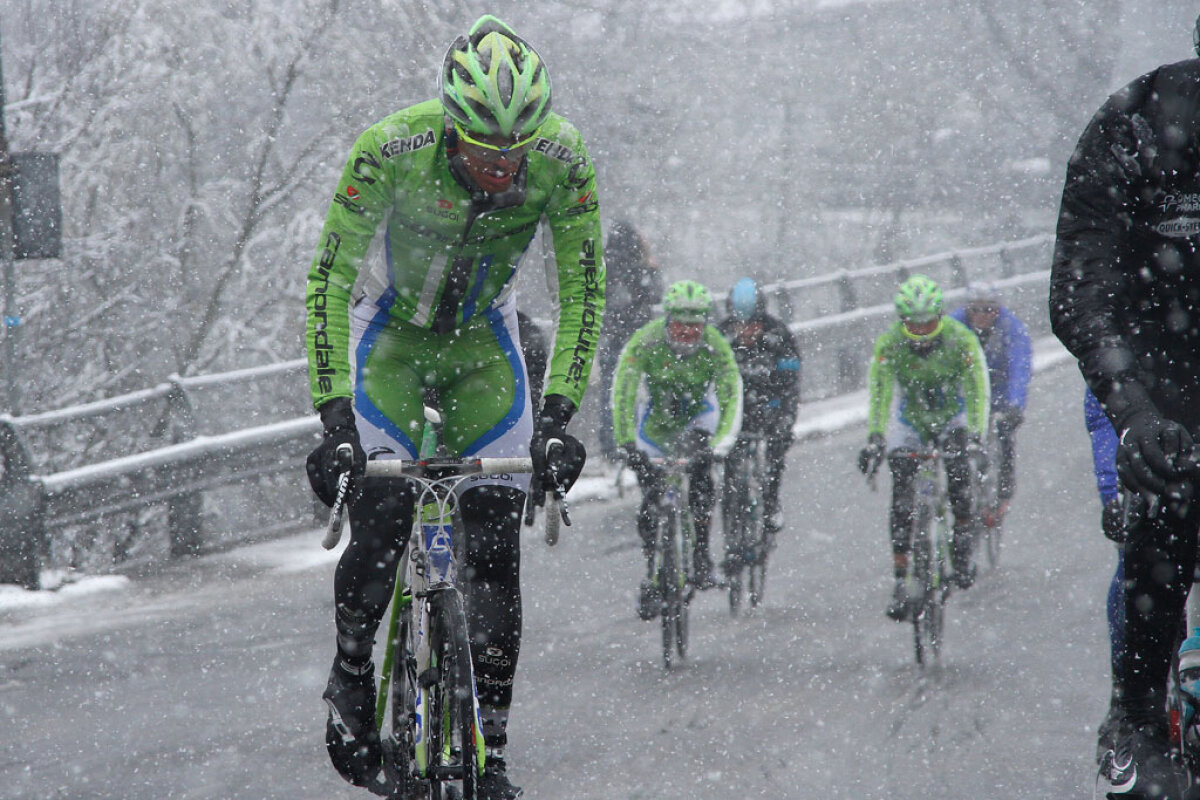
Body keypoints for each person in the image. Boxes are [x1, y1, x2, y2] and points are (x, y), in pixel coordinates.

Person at [303, 16, 604, 798]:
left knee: (497, 540)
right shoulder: (390, 149)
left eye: (518, 148)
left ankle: (492, 750)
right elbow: (328, 281)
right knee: (379, 513)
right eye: (485, 149)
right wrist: (336, 421)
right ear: (450, 125)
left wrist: (559, 419)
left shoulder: (562, 162)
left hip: (481, 347)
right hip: (390, 341)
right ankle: (350, 678)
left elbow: (585, 290)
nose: (505, 165)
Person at [1048, 40, 1200, 799]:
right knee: (1158, 522)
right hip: (1153, 382)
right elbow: (1083, 282)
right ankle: (1136, 717)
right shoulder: (1134, 124)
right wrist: (1133, 410)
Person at [857, 274, 990, 621]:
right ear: (901, 321)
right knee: (901, 496)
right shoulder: (889, 344)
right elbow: (880, 393)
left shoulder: (960, 339)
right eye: (912, 325)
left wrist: (976, 434)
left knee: (960, 478)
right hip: (911, 422)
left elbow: (977, 387)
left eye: (927, 323)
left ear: (940, 317)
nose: (919, 331)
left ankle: (961, 545)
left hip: (952, 418)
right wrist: (875, 436)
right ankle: (901, 578)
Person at [611, 280, 742, 616]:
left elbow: (731, 396)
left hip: (697, 422)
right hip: (655, 427)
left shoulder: (715, 346)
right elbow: (623, 391)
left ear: (705, 323)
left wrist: (719, 445)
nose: (687, 331)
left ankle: (700, 559)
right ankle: (654, 574)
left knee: (701, 479)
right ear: (667, 320)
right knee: (651, 501)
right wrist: (626, 442)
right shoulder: (647, 341)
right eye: (680, 324)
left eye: (695, 324)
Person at [716, 277, 801, 547]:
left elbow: (791, 387)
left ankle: (771, 503)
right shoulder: (720, 336)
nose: (747, 331)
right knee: (730, 466)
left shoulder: (780, 336)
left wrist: (785, 423)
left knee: (775, 452)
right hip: (734, 413)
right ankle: (732, 531)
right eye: (741, 324)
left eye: (753, 324)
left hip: (769, 410)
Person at [949, 282, 1031, 526]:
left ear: (998, 311)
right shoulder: (955, 326)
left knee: (1005, 436)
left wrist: (1015, 405)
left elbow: (1020, 366)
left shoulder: (1011, 328)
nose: (981, 316)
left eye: (988, 310)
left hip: (999, 395)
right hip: (967, 397)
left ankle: (1003, 494)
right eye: (975, 310)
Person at [1086, 386, 1131, 762]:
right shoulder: (1130, 332)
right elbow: (1104, 415)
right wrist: (1111, 493)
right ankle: (1127, 697)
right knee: (1133, 572)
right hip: (1152, 473)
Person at [596, 219, 663, 459]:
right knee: (637, 387)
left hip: (609, 334)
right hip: (637, 336)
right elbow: (656, 296)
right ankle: (637, 440)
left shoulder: (603, 264)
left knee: (611, 390)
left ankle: (610, 445)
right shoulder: (641, 266)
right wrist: (651, 268)